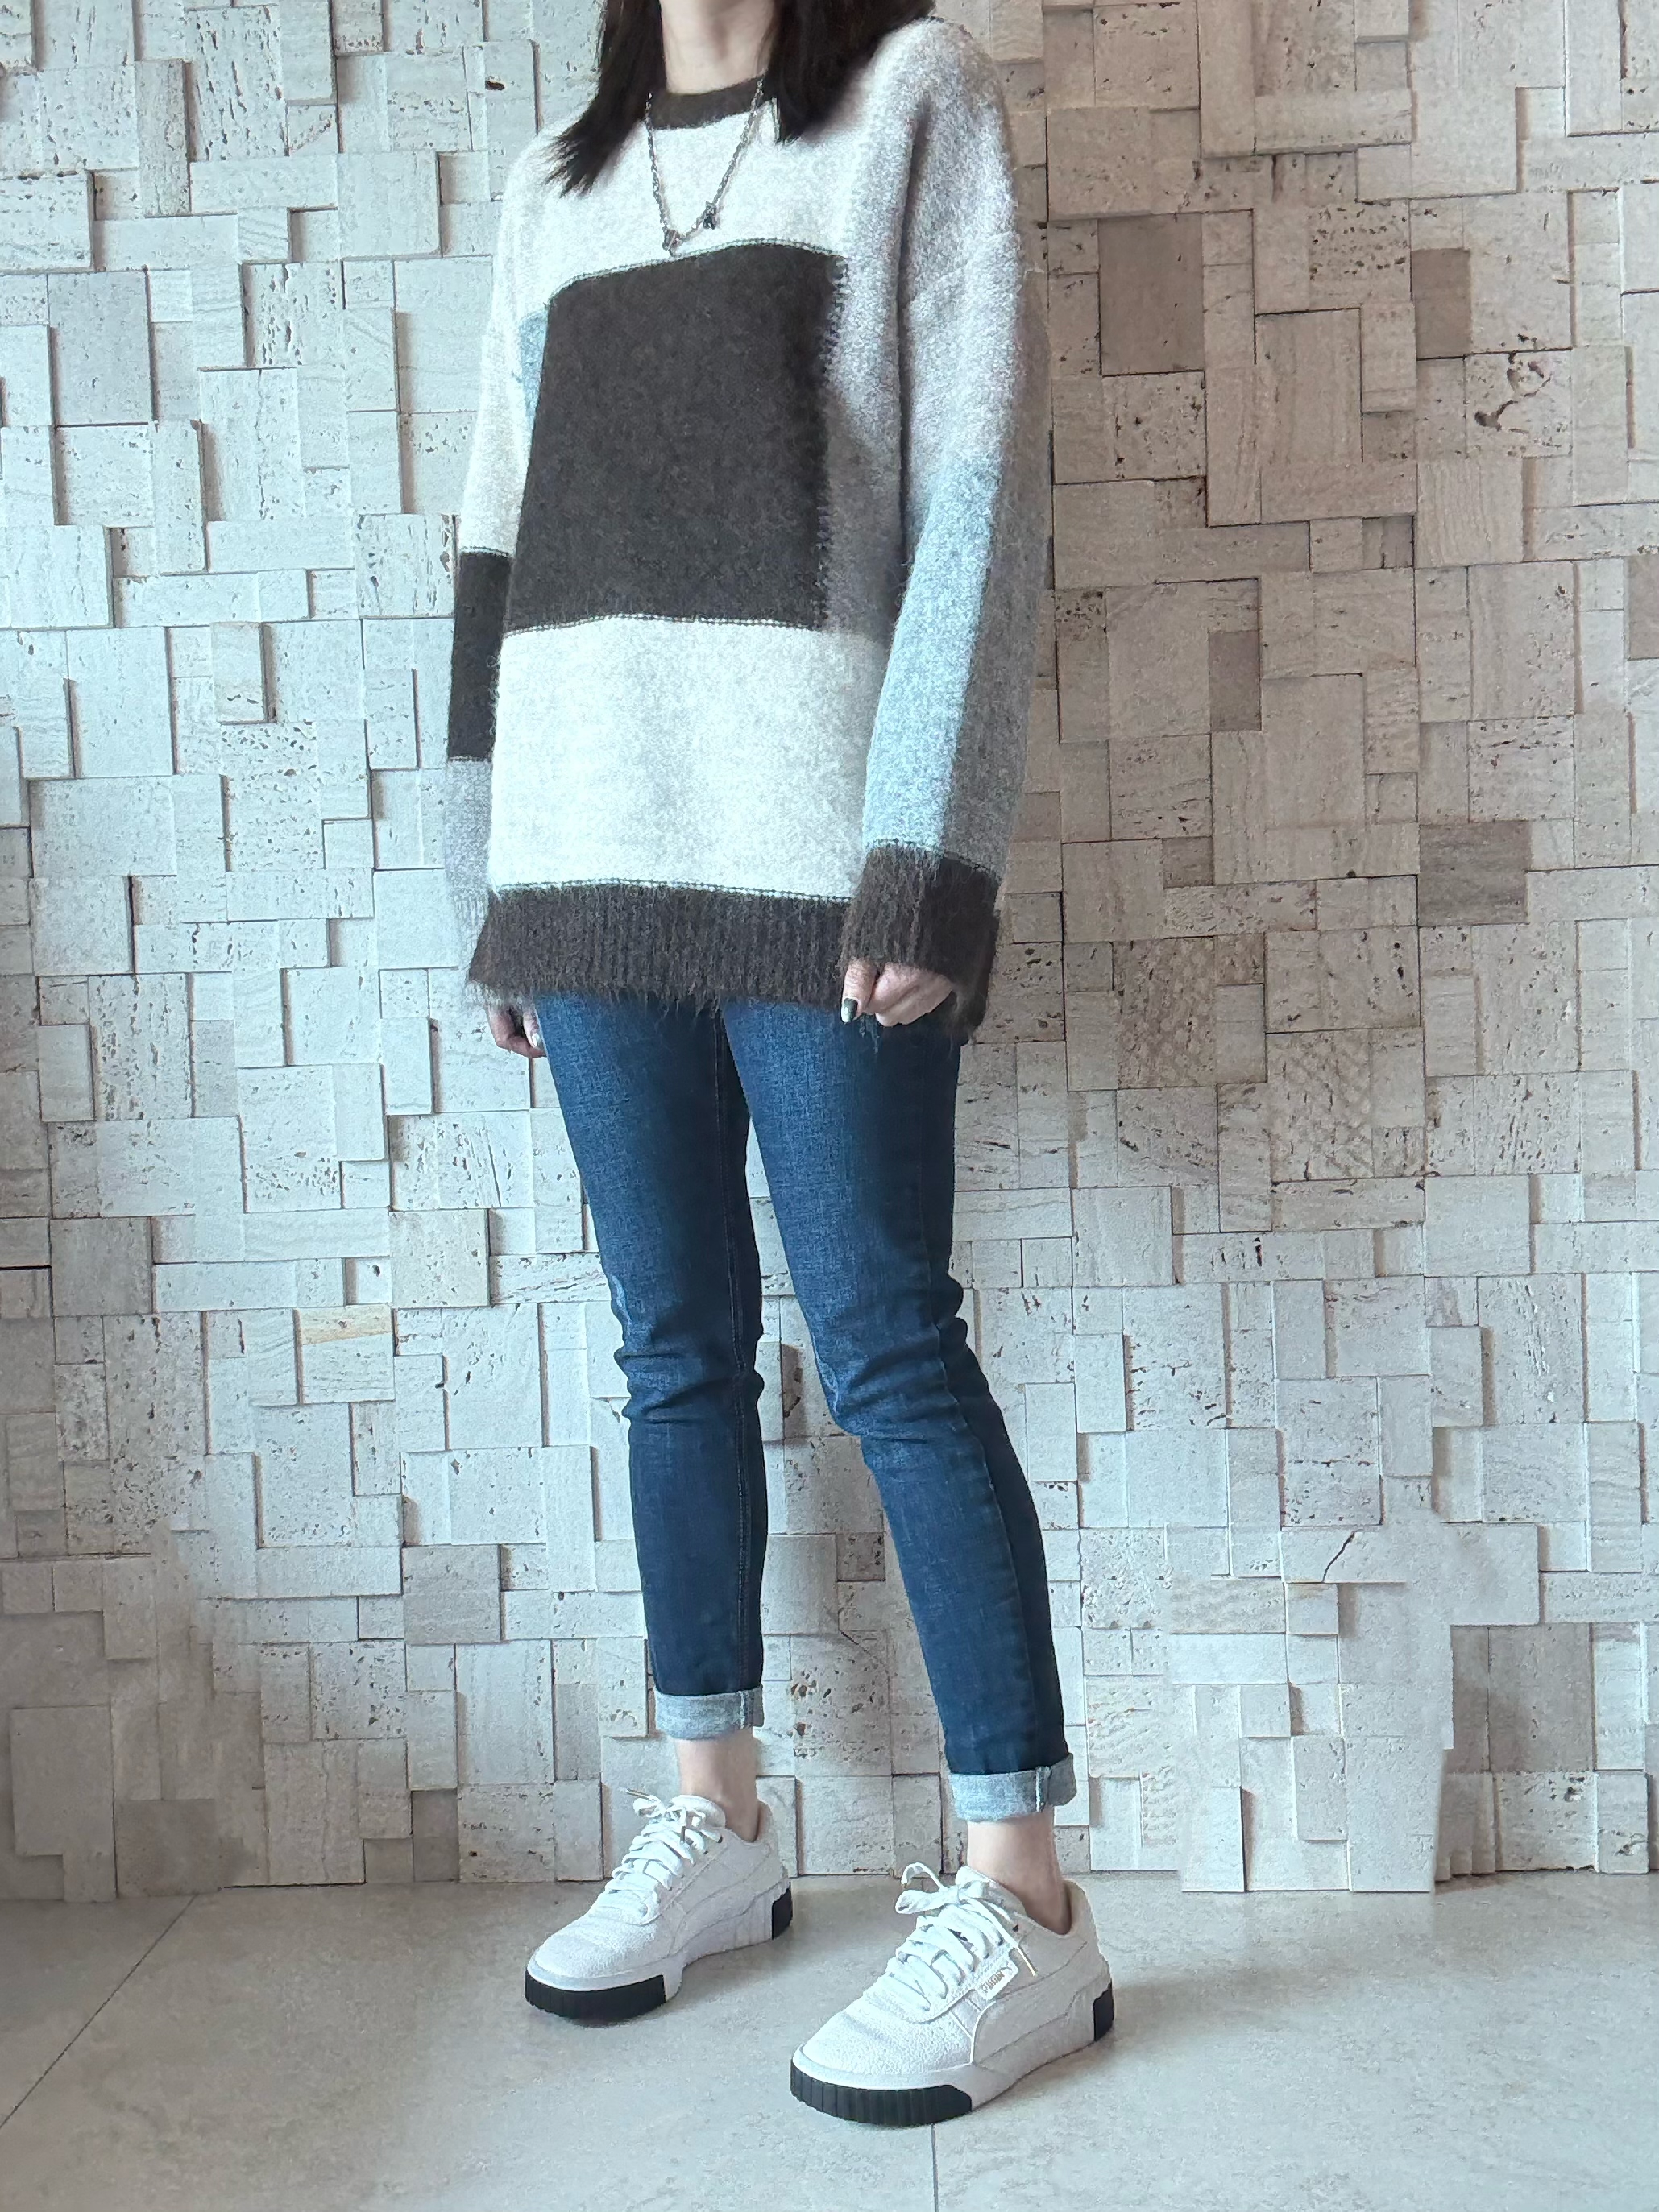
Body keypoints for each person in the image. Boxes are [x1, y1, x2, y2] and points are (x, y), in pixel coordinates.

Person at [443, 0, 1114, 2126]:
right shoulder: (554, 187)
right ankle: (714, 1816)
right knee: (670, 1349)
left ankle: (1025, 1898)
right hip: (585, 861)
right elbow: (492, 545)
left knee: (890, 1346)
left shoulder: (912, 101)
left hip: (821, 866)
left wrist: (927, 857)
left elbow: (980, 502)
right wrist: (489, 877)